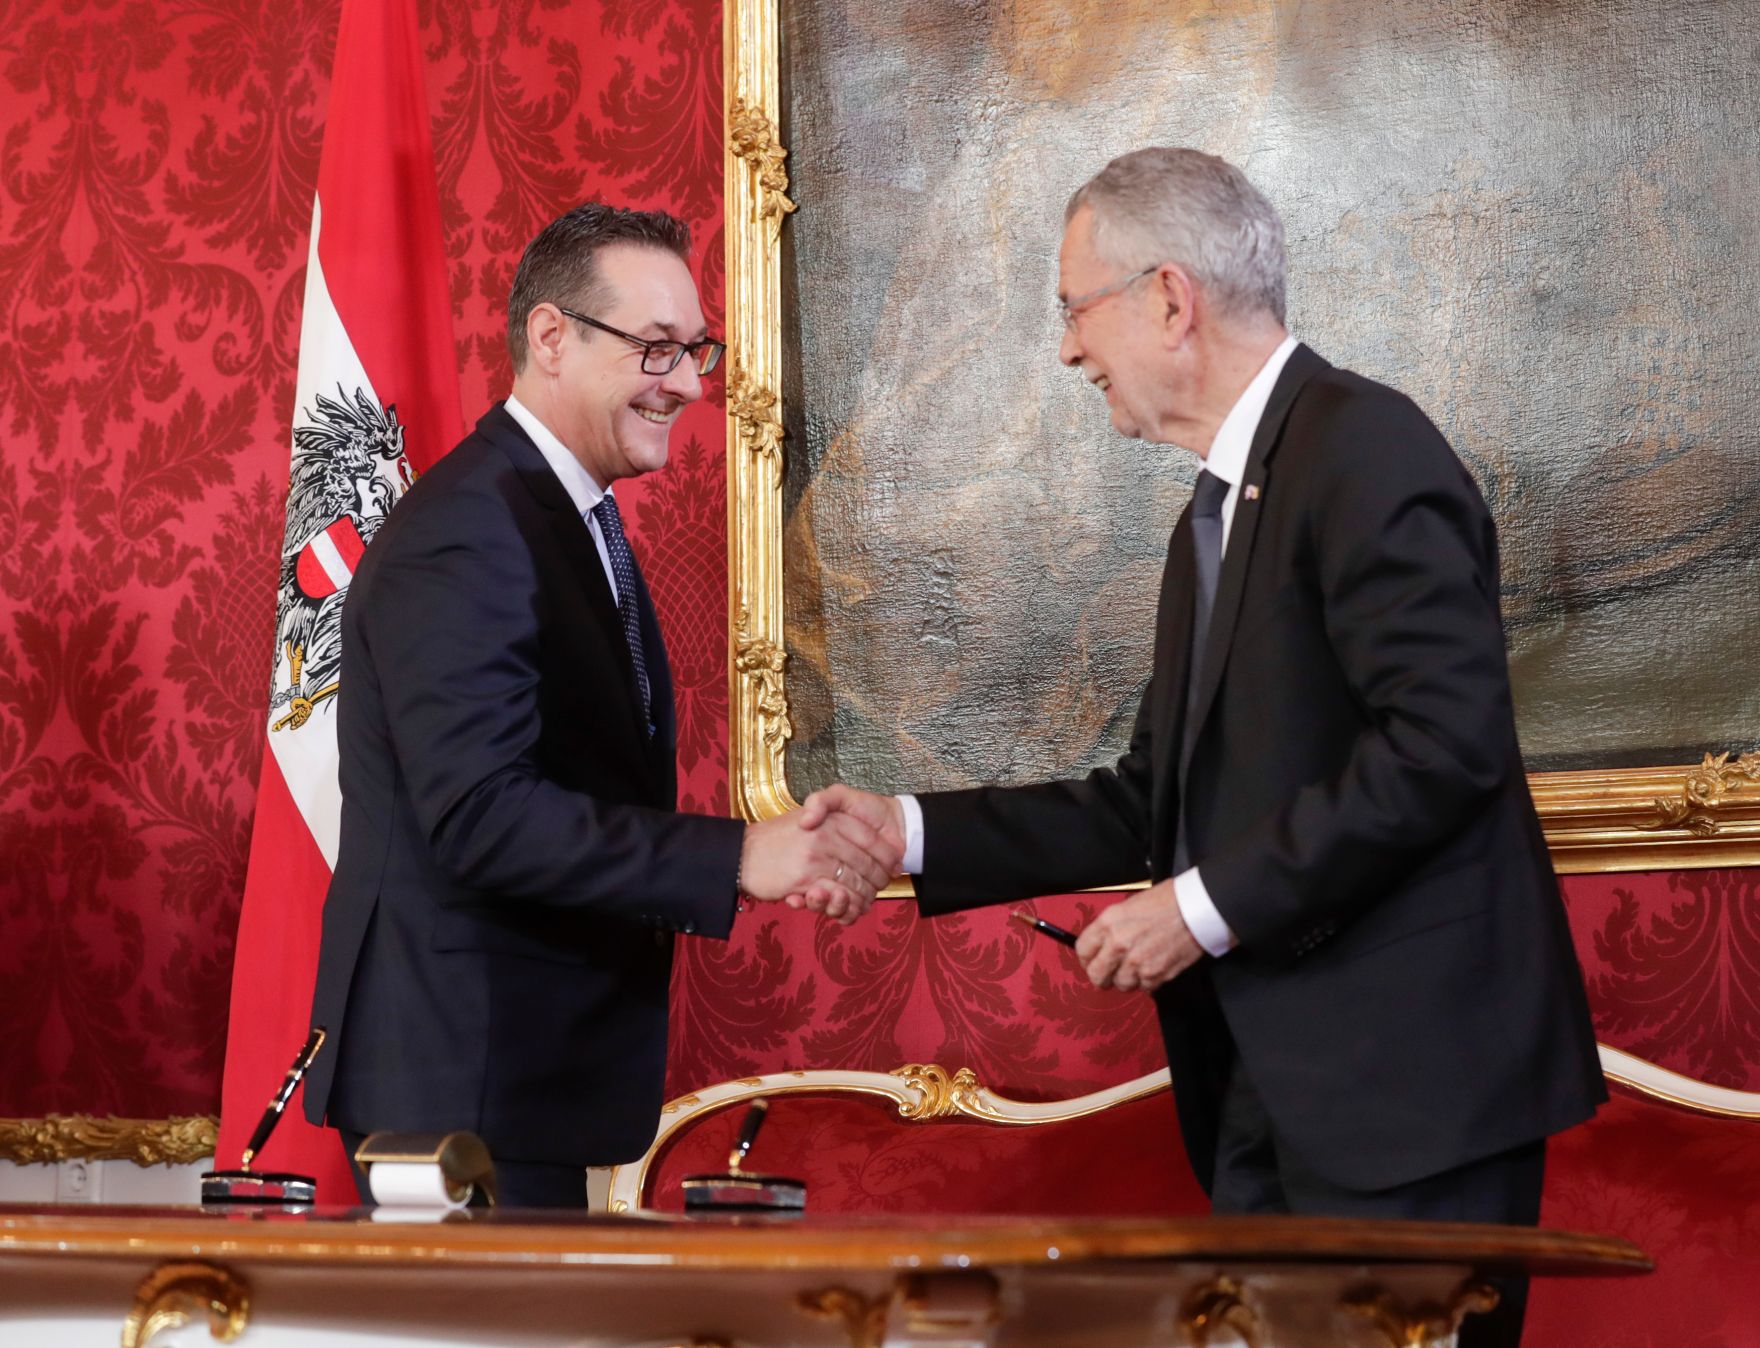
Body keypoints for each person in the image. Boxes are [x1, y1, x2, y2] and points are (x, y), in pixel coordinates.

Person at [807, 148, 1603, 1347]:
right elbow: (1152, 799)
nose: (1067, 350)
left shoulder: (1364, 448)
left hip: (1406, 1099)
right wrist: (905, 831)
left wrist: (1199, 908)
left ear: (1167, 298)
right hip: (1270, 1096)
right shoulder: (1213, 513)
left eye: (1073, 309)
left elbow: (1443, 746)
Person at [304, 204, 896, 1207]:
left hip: (516, 1079)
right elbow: (481, 815)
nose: (690, 385)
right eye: (656, 349)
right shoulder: (470, 527)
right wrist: (736, 857)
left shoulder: (556, 513)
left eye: (696, 351)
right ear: (551, 338)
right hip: (460, 1086)